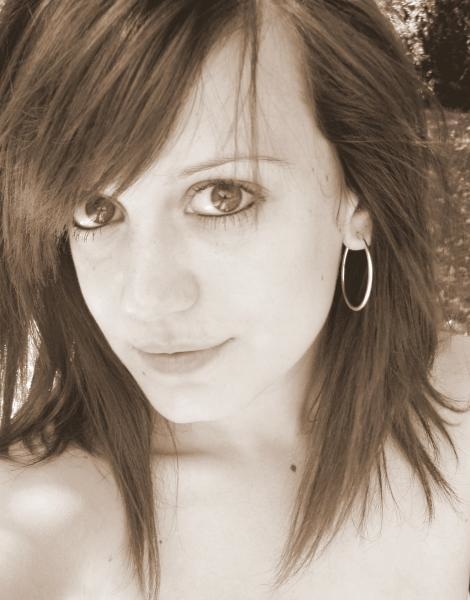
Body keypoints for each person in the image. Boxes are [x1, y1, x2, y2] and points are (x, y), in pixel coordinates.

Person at [0, 0, 469, 598]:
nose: (147, 300)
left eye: (222, 196)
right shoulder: (36, 529)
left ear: (360, 200)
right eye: (95, 210)